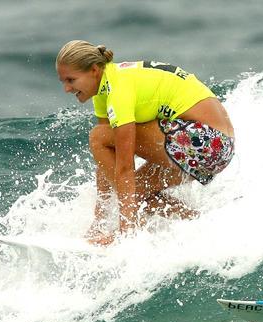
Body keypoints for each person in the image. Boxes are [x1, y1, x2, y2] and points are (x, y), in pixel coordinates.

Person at [56, 40, 235, 245]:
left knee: (98, 138)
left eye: (71, 80)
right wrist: (98, 222)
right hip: (217, 150)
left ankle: (128, 235)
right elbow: (107, 156)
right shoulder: (104, 89)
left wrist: (124, 235)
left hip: (208, 141)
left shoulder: (117, 89)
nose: (67, 89)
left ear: (94, 70)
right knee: (138, 192)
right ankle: (201, 223)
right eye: (63, 81)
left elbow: (124, 166)